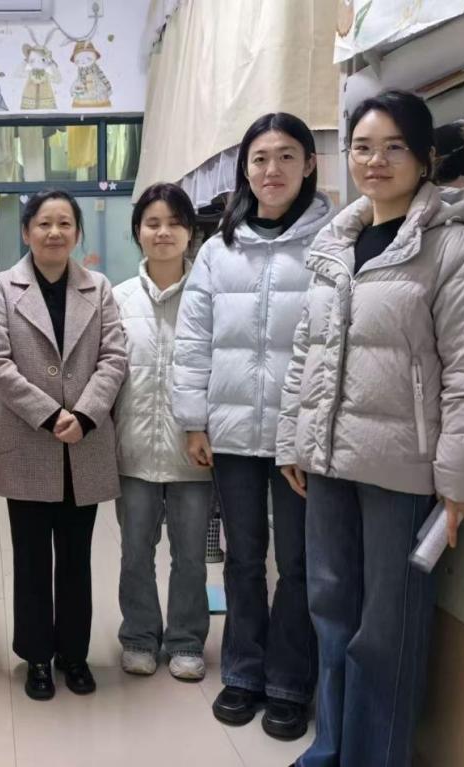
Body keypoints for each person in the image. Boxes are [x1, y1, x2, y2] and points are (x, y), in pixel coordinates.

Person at [277, 89, 464, 767]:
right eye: (362, 147)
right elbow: (306, 353)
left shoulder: (453, 247)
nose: (374, 161)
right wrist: (293, 439)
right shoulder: (336, 243)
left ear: (425, 157)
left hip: (402, 473)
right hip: (326, 463)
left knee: (387, 633)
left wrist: (460, 483)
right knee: (330, 614)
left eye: (393, 147)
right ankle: (330, 749)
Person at [173, 113, 333, 739]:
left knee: (296, 562)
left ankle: (289, 681)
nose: (272, 170)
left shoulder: (332, 243)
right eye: (260, 158)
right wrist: (194, 420)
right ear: (244, 169)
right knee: (242, 558)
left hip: (300, 435)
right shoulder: (219, 250)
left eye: (287, 156)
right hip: (233, 431)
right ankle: (242, 670)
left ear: (309, 164)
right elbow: (193, 342)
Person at [0, 189, 127, 701]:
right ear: (26, 231)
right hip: (29, 442)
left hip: (83, 444)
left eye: (65, 223)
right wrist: (49, 414)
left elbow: (114, 357)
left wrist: (85, 414)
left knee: (76, 559)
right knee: (30, 560)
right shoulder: (3, 287)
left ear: (77, 233)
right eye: (44, 223)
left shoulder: (98, 288)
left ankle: (74, 654)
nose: (55, 232)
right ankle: (37, 657)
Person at [113, 183, 213, 680]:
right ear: (138, 232)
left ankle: (186, 640)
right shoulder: (117, 299)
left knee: (190, 557)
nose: (163, 232)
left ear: (190, 233)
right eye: (152, 223)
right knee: (135, 553)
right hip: (133, 452)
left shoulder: (208, 295)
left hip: (193, 454)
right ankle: (138, 636)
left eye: (175, 223)